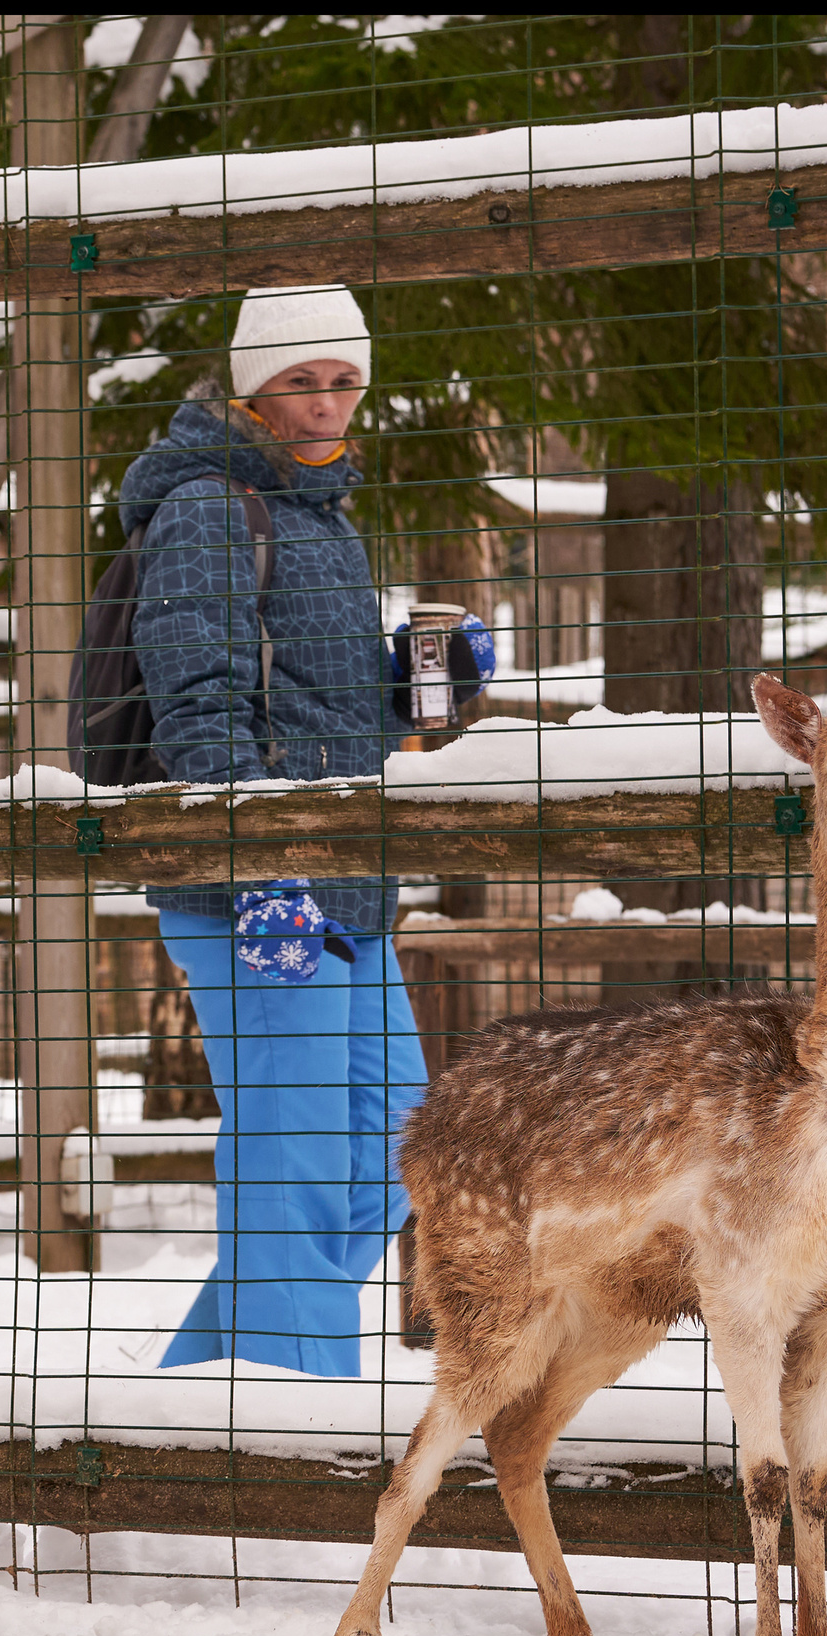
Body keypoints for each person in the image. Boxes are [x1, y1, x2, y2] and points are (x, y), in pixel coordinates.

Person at [120, 284, 482, 1377]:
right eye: (299, 384)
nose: (325, 403)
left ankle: (201, 1391)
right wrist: (260, 875)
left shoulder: (316, 510)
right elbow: (201, 707)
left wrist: (414, 686)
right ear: (250, 390)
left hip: (350, 884)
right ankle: (286, 1419)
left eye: (341, 383)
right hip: (259, 890)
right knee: (299, 1161)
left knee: (392, 1150)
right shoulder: (207, 511)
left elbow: (308, 706)